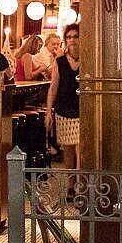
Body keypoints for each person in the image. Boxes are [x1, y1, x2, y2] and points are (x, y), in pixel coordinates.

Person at [46, 24, 81, 168]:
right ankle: (71, 181)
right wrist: (48, 111)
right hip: (64, 108)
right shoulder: (60, 61)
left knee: (81, 149)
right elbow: (53, 87)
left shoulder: (89, 59)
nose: (72, 40)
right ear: (65, 40)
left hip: (82, 108)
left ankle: (81, 179)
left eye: (75, 36)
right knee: (68, 151)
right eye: (68, 37)